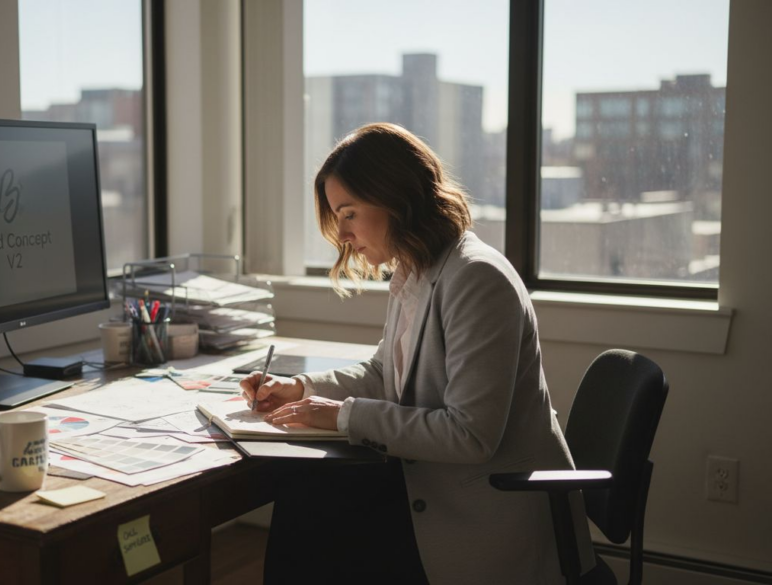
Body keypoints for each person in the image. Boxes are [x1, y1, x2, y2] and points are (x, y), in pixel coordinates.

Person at [240, 123, 594, 584]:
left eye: (348, 213)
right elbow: (385, 371)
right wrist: (299, 389)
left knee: (310, 515)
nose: (342, 234)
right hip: (438, 484)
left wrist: (343, 416)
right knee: (307, 496)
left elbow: (470, 435)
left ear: (394, 197)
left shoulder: (476, 279)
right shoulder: (416, 269)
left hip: (485, 509)